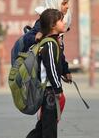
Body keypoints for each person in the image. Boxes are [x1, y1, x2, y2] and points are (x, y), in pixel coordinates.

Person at [26, 9, 67, 138]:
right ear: (52, 25)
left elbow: (58, 62)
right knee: (49, 127)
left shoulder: (54, 42)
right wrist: (57, 88)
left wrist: (66, 72)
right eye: (61, 20)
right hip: (48, 90)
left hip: (48, 89)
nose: (64, 22)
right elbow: (51, 68)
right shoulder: (49, 44)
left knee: (43, 126)